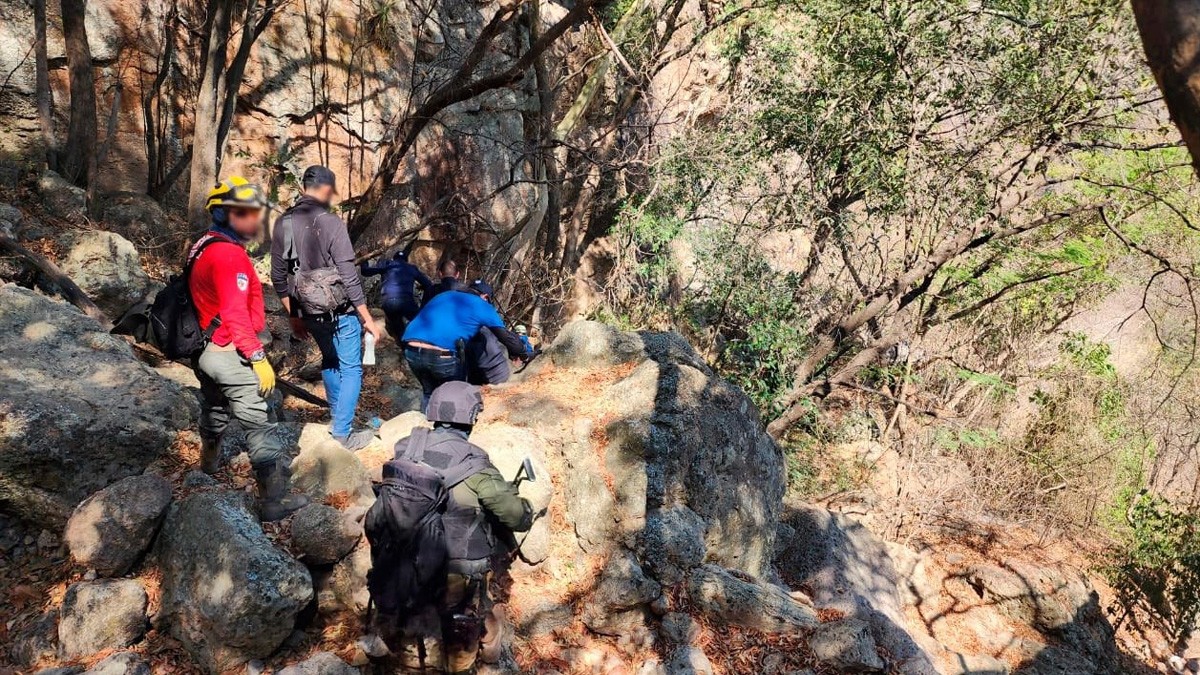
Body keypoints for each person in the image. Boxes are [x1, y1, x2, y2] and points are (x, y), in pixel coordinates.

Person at [189, 176, 308, 521]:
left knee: (214, 404)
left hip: (205, 348)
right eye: (245, 213)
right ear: (225, 214)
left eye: (256, 212)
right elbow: (235, 312)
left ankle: (209, 463)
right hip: (228, 350)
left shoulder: (204, 245)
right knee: (259, 421)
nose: (255, 220)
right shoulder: (228, 256)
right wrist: (257, 358)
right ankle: (274, 502)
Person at [391, 382, 532, 674]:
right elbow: (515, 516)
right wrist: (526, 508)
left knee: (416, 629)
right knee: (461, 634)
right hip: (456, 567)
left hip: (404, 561)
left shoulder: (406, 448)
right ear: (472, 417)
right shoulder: (474, 463)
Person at [270, 165, 381, 450]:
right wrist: (366, 316)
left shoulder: (284, 223)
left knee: (330, 361)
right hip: (340, 310)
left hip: (309, 311)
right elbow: (348, 273)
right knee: (351, 368)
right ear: (325, 189)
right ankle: (342, 433)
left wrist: (295, 315)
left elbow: (279, 277)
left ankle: (338, 419)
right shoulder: (331, 223)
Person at [401, 281, 527, 401]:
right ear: (485, 296)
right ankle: (449, 422)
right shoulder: (482, 305)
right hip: (442, 354)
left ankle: (425, 420)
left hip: (411, 350)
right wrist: (522, 351)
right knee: (455, 396)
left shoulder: (445, 295)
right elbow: (507, 338)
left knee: (429, 393)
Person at [463, 280, 528, 386]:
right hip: (491, 369)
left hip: (458, 366)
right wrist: (522, 351)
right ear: (485, 297)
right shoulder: (483, 309)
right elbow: (504, 336)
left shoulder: (455, 303)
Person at [359, 249, 432, 343]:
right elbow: (428, 285)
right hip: (406, 301)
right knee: (419, 321)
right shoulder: (411, 268)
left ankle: (403, 345)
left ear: (394, 259)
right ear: (406, 260)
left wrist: (364, 260)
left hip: (388, 302)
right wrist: (423, 306)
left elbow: (365, 271)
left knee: (397, 327)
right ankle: (421, 344)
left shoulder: (387, 265)